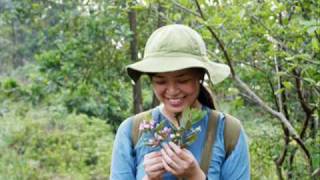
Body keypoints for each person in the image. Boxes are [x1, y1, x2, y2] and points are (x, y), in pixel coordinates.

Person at [110, 24, 250, 180]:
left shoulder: (228, 131)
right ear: (151, 81)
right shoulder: (131, 131)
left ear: (200, 77)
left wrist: (196, 176)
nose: (172, 90)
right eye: (161, 81)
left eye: (183, 80)